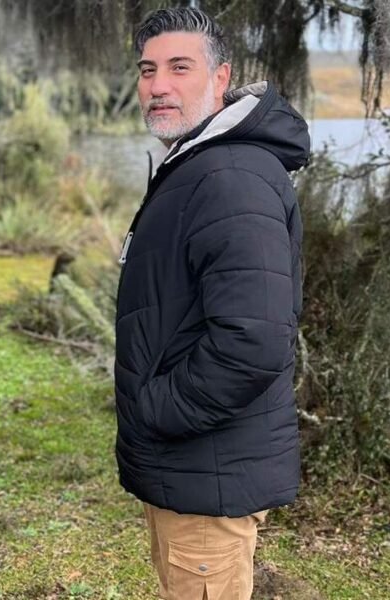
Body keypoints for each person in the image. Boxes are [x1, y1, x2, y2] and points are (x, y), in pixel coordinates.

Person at [114, 7, 310, 599]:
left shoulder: (230, 175)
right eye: (148, 70)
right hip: (191, 469)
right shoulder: (198, 162)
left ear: (221, 78)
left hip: (206, 470)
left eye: (180, 67)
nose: (159, 85)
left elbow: (252, 341)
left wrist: (156, 410)